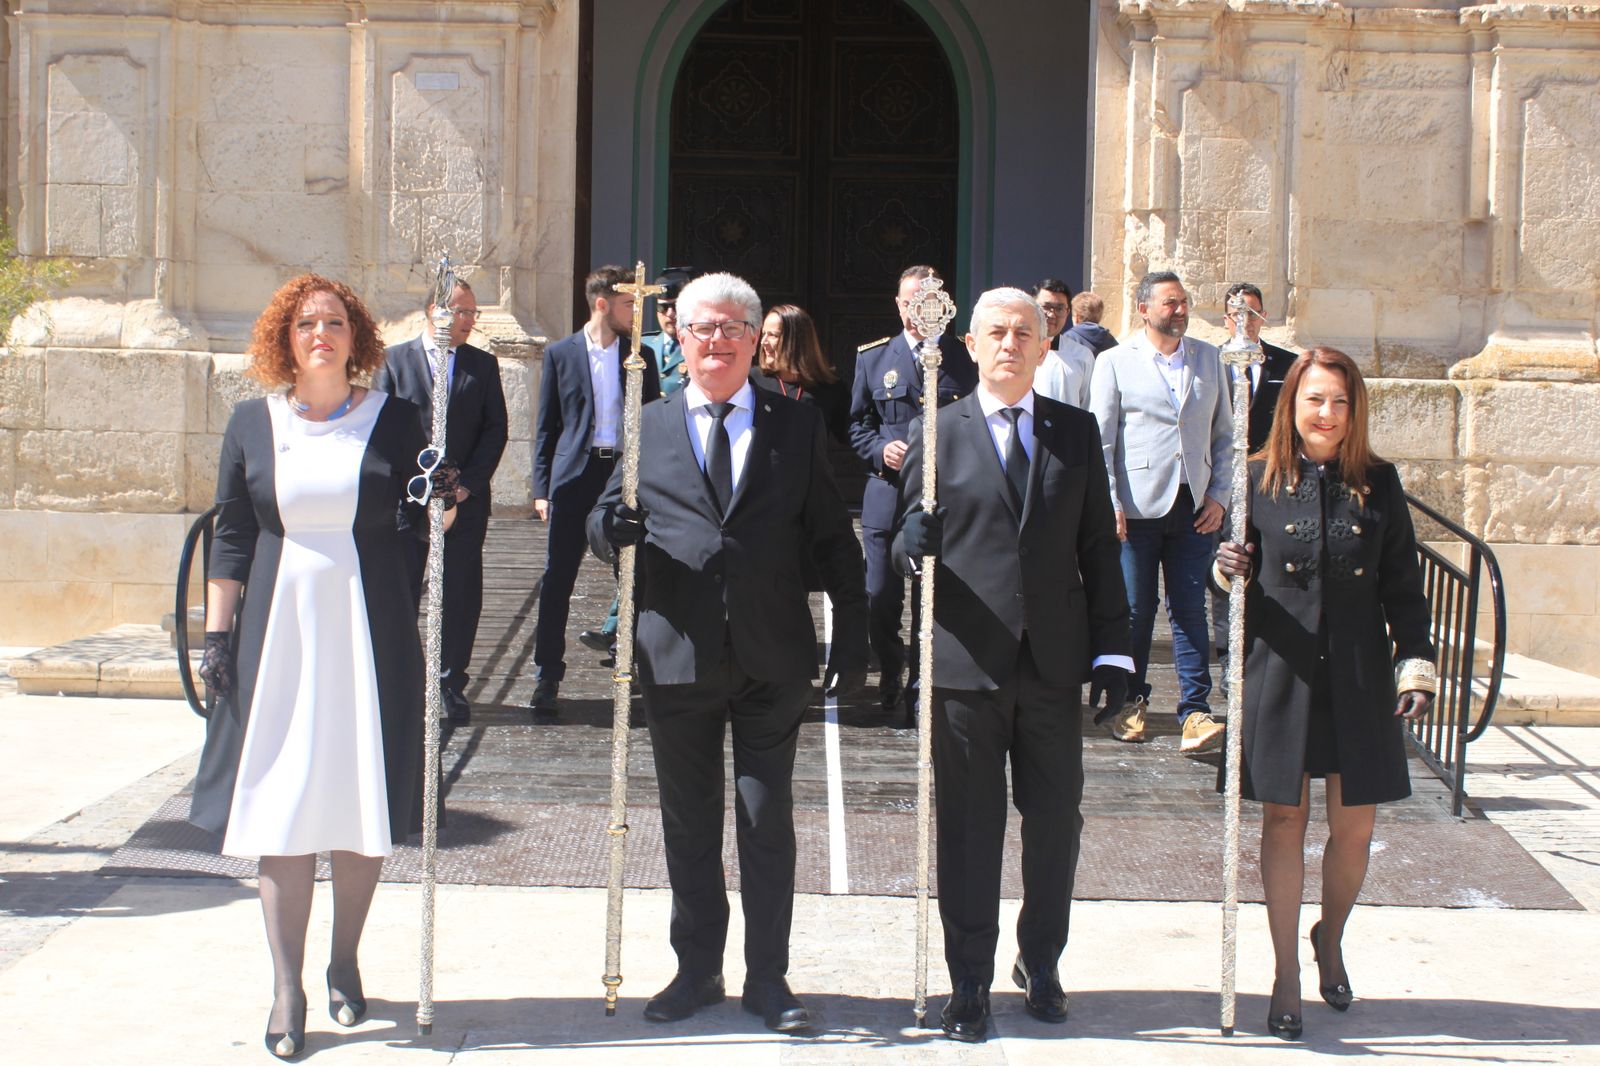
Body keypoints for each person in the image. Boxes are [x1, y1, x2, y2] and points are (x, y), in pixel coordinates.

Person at [587, 272, 868, 1034]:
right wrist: (609, 532)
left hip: (772, 654)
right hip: (676, 650)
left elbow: (830, 535)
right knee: (688, 821)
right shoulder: (649, 424)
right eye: (702, 329)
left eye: (732, 329)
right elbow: (603, 514)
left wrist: (857, 624)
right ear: (679, 338)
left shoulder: (794, 426)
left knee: (765, 819)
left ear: (754, 340)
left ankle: (768, 977)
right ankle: (696, 968)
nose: (716, 342)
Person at [191, 274, 453, 1060]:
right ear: (285, 337)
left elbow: (428, 512)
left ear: (355, 336)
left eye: (335, 322)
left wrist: (446, 497)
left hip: (368, 628)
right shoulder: (251, 422)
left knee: (360, 795)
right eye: (306, 323)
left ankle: (344, 960)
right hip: (278, 632)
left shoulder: (399, 417)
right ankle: (287, 987)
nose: (321, 334)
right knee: (285, 803)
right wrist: (216, 638)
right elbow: (232, 535)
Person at [892, 288, 1132, 1043]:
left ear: (1043, 345)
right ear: (970, 343)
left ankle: (1041, 958)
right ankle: (969, 977)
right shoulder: (939, 432)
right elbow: (901, 542)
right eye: (996, 331)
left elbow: (1098, 547)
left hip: (1053, 666)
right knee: (969, 827)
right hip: (967, 663)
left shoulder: (1075, 432)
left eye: (1024, 332)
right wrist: (915, 541)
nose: (1009, 343)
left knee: (1056, 822)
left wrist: (1116, 649)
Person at [1213, 346, 1436, 1040]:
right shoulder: (1255, 477)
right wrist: (1227, 568)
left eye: (1340, 401)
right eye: (1315, 399)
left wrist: (1417, 663)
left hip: (1361, 674)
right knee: (1283, 821)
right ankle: (1284, 976)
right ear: (1293, 405)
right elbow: (1228, 577)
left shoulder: (1379, 481)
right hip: (1282, 671)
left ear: (1353, 408)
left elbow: (1403, 583)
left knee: (1354, 826)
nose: (1327, 413)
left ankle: (1328, 936)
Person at [1088, 270, 1232, 753]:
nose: (1181, 310)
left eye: (1185, 302)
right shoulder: (1113, 362)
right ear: (1144, 308)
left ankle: (1195, 711)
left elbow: (1225, 435)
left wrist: (1220, 495)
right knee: (1135, 609)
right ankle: (1130, 703)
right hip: (1137, 506)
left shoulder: (1210, 359)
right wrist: (1109, 503)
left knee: (1191, 609)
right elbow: (1101, 441)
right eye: (1170, 303)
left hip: (1194, 506)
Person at [529, 265, 662, 714]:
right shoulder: (560, 353)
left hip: (622, 475)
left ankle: (635, 662)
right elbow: (547, 426)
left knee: (633, 572)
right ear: (602, 303)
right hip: (574, 475)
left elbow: (654, 419)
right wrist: (542, 488)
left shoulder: (641, 353)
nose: (635, 311)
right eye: (628, 303)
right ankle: (547, 676)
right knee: (557, 578)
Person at [375, 277, 508, 724]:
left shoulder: (483, 366)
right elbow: (381, 428)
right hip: (409, 499)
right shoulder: (393, 362)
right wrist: (415, 482)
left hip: (466, 500)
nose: (471, 321)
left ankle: (450, 683)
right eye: (463, 311)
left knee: (461, 590)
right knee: (402, 586)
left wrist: (465, 484)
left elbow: (496, 429)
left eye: (474, 313)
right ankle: (402, 680)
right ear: (435, 311)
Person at [849, 265, 976, 721]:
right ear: (898, 304)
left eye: (926, 303)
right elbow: (857, 426)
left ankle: (922, 681)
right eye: (908, 302)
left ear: (942, 308)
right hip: (888, 491)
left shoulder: (964, 358)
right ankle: (889, 668)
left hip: (943, 497)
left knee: (933, 594)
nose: (915, 312)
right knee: (881, 592)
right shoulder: (874, 359)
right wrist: (883, 449)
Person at [1210, 281, 1299, 696]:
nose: (1244, 319)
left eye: (1253, 311)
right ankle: (1229, 662)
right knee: (1222, 572)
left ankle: (1260, 657)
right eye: (1236, 311)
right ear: (1226, 316)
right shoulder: (1209, 362)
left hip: (1268, 486)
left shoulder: (1289, 365)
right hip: (1217, 487)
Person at [753, 303, 849, 445]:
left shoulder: (830, 387)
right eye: (764, 333)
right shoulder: (751, 380)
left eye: (773, 335)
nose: (763, 342)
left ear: (796, 340)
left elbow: (852, 434)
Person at [1033, 278, 1096, 409]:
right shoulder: (1017, 349)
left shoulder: (1082, 355)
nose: (1051, 314)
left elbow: (1089, 404)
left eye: (1059, 309)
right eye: (1045, 307)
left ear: (1068, 312)